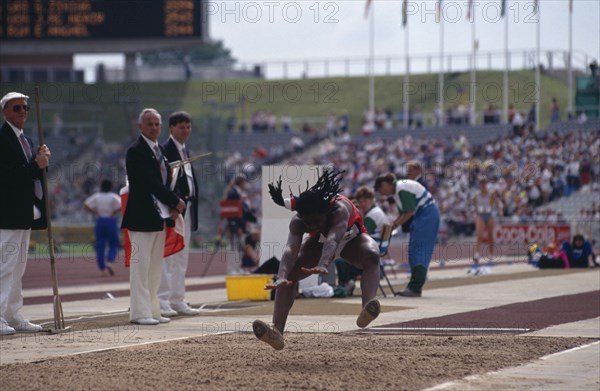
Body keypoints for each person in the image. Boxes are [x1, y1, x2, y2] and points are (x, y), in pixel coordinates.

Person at [252, 169, 382, 350]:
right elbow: (291, 248)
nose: (312, 225)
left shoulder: (340, 209)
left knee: (372, 255)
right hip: (318, 244)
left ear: (326, 212)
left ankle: (367, 307)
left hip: (352, 240)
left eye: (316, 221)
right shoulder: (298, 222)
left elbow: (333, 239)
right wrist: (281, 275)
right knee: (288, 277)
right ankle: (276, 331)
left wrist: (323, 263)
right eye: (308, 222)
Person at [121, 108, 186, 326]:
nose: (154, 127)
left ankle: (153, 309)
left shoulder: (159, 151)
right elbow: (149, 183)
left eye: (157, 124)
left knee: (155, 268)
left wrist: (173, 204)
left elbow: (165, 182)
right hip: (140, 217)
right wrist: (175, 200)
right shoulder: (135, 151)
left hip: (158, 217)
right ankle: (139, 313)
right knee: (141, 267)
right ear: (140, 127)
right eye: (149, 124)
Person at [0, 91, 51, 335]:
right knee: (5, 265)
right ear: (5, 112)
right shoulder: (2, 138)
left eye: (25, 108)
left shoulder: (27, 140)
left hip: (23, 213)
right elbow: (7, 177)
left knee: (18, 267)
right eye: (16, 108)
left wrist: (42, 163)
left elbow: (32, 175)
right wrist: (35, 165)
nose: (23, 112)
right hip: (7, 213)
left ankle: (12, 314)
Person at [158, 111, 200, 317]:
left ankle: (177, 299)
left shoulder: (185, 150)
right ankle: (162, 299)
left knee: (182, 256)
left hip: (188, 208)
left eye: (188, 127)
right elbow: (165, 180)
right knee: (169, 256)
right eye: (181, 127)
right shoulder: (164, 150)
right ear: (171, 128)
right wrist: (173, 204)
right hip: (173, 209)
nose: (186, 131)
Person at [374, 173, 440, 297]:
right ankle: (414, 285)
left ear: (385, 184)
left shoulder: (400, 188)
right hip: (425, 214)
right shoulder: (399, 189)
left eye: (380, 189)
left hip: (426, 214)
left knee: (418, 250)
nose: (382, 193)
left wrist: (393, 226)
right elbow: (405, 213)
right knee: (414, 250)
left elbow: (409, 212)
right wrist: (394, 224)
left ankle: (415, 287)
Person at [83, 179, 122, 277]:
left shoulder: (97, 196)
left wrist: (95, 212)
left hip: (100, 220)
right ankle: (110, 261)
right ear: (111, 187)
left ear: (101, 187)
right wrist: (114, 212)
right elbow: (122, 205)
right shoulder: (113, 196)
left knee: (100, 245)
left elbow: (86, 204)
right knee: (114, 243)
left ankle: (102, 269)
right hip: (110, 220)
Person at [470, 177, 503, 271]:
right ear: (479, 185)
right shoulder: (476, 195)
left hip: (489, 215)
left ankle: (491, 255)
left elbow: (496, 203)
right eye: (481, 184)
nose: (483, 186)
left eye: (484, 184)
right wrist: (475, 214)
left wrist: (500, 211)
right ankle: (477, 255)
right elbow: (475, 205)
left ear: (486, 185)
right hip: (481, 215)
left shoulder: (491, 194)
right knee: (479, 235)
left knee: (490, 236)